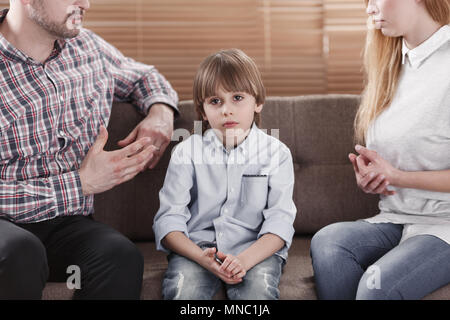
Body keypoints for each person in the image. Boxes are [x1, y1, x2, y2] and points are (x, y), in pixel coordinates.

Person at [0, 0, 178, 299]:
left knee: (119, 256)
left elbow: (144, 78)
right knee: (19, 252)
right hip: (6, 231)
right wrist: (79, 184)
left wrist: (161, 113)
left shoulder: (88, 49)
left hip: (64, 225)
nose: (86, 4)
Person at [310, 0, 450, 300]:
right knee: (328, 242)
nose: (369, 9)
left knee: (376, 287)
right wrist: (375, 177)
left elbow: (400, 173)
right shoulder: (392, 64)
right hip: (396, 217)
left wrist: (398, 176)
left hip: (445, 225)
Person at [153, 49, 296, 300]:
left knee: (257, 294)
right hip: (197, 251)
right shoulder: (187, 152)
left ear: (258, 102)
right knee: (184, 294)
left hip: (254, 251)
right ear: (203, 108)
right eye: (215, 101)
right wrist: (201, 258)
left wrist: (243, 260)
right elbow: (168, 220)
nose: (226, 110)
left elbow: (280, 222)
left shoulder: (276, 153)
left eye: (237, 97)